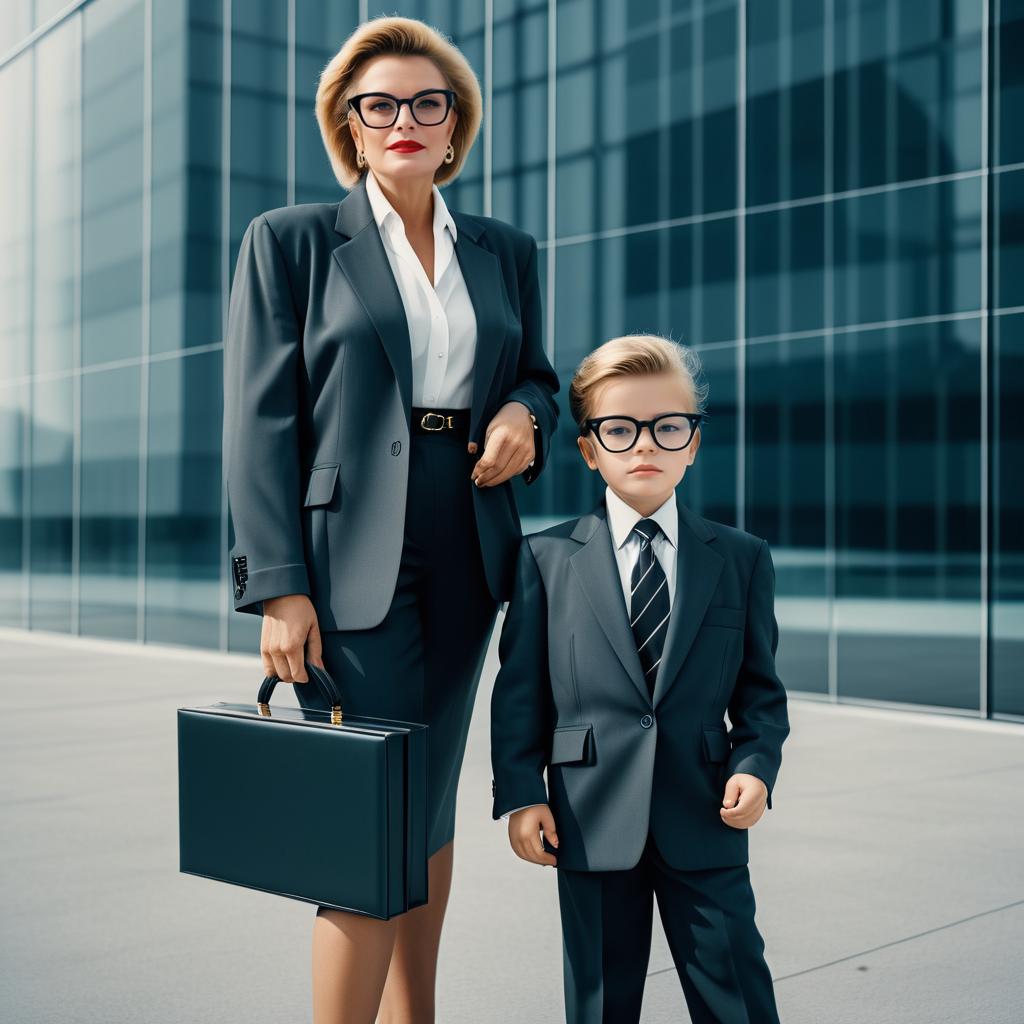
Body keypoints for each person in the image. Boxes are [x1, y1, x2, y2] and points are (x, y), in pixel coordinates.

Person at [221, 15, 559, 1023]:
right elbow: (258, 421)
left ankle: (418, 1014)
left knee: (427, 798)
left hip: (470, 545)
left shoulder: (504, 250)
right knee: (370, 812)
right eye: (380, 105)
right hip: (347, 556)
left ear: (454, 126)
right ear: (351, 129)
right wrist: (276, 585)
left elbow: (538, 374)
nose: (404, 118)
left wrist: (521, 414)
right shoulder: (290, 241)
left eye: (427, 102)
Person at [489, 334, 789, 1023]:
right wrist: (521, 794)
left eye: (668, 427)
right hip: (588, 818)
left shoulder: (740, 560)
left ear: (693, 443)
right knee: (599, 1001)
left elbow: (760, 693)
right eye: (621, 429)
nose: (646, 444)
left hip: (704, 811)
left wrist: (756, 764)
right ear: (591, 449)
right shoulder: (545, 558)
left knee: (736, 991)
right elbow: (520, 694)